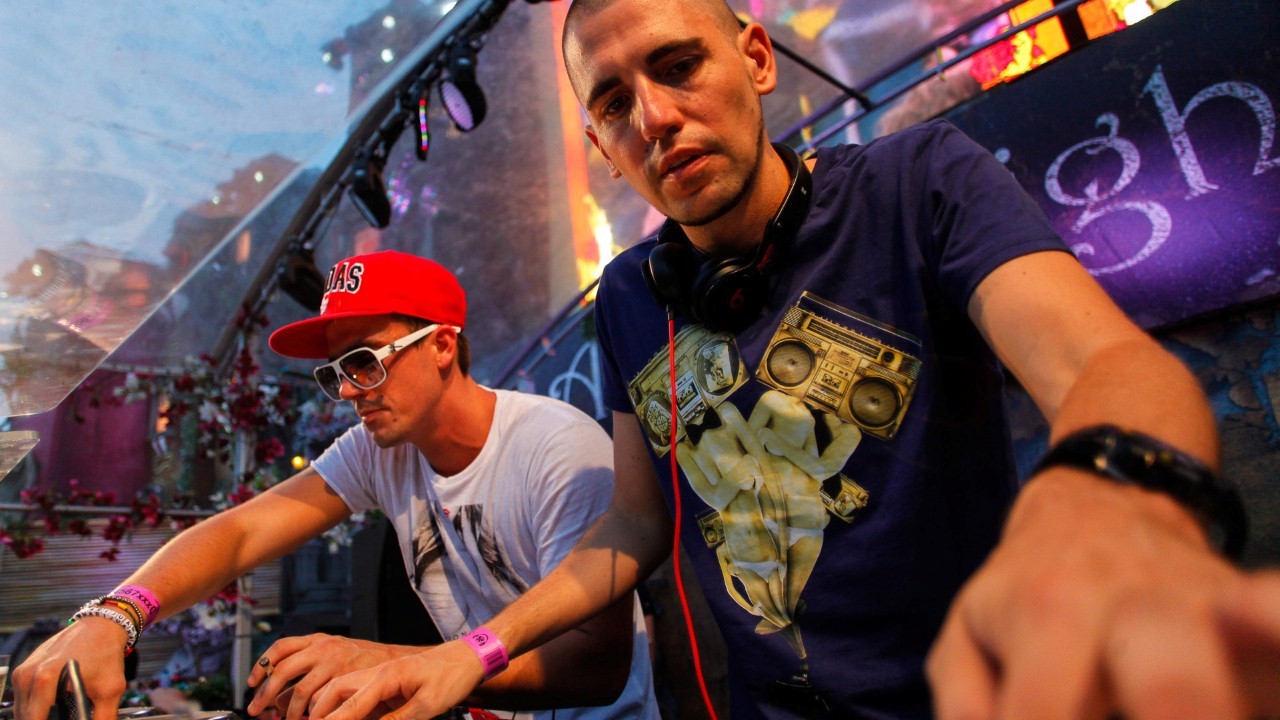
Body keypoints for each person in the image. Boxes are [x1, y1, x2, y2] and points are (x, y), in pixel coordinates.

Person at [290, 1, 1274, 718]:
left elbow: (1104, 364)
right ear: (599, 141)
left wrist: (1105, 507)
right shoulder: (631, 295)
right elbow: (633, 520)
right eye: (615, 103)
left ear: (755, 58)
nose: (654, 117)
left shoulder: (916, 184)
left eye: (678, 66)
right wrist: (469, 654)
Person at [11, 251, 659, 720]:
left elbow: (599, 669)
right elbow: (241, 533)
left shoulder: (555, 447)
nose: (348, 390)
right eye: (337, 371)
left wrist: (385, 663)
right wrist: (114, 614)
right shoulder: (382, 449)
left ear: (442, 346)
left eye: (365, 362)